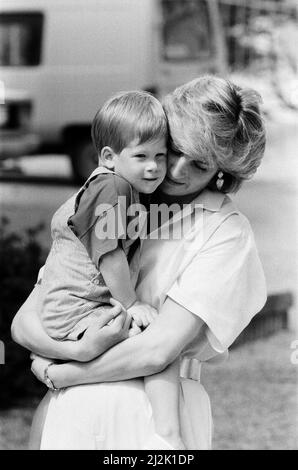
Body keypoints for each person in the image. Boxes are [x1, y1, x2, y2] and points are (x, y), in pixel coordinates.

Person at [12, 75, 267, 450]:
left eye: (199, 164)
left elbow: (158, 349)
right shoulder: (113, 198)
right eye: (174, 151)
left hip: (152, 418)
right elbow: (25, 320)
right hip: (72, 410)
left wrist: (63, 372)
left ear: (222, 173)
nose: (176, 171)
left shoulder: (225, 232)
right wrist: (74, 354)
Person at [34, 90, 187, 449]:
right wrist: (132, 304)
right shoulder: (112, 185)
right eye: (142, 156)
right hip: (78, 310)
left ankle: (54, 371)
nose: (154, 167)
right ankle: (169, 438)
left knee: (154, 344)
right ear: (108, 156)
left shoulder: (118, 186)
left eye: (161, 156)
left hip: (73, 307)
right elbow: (109, 256)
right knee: (159, 344)